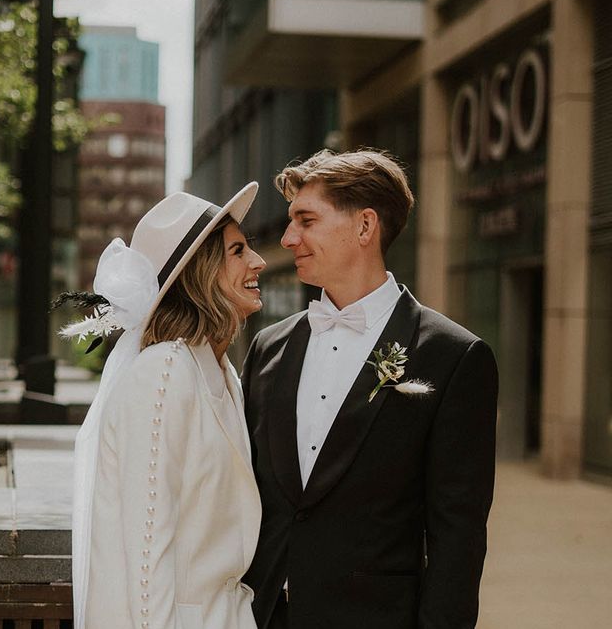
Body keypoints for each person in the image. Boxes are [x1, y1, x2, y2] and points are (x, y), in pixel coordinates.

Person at [241, 150, 498, 629]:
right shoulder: (266, 348)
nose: (287, 237)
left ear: (365, 227)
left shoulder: (454, 357)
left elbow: (457, 535)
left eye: (306, 220)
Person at [62, 183, 267, 629]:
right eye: (237, 251)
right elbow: (145, 559)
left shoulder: (222, 372)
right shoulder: (165, 372)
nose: (258, 262)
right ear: (202, 272)